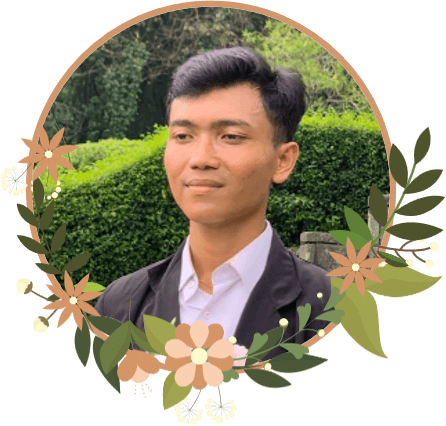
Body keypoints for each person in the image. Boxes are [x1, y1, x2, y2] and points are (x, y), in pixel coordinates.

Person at [94, 46, 332, 360]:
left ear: (283, 160)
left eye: (231, 136)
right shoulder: (120, 305)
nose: (200, 159)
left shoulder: (329, 309)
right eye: (183, 136)